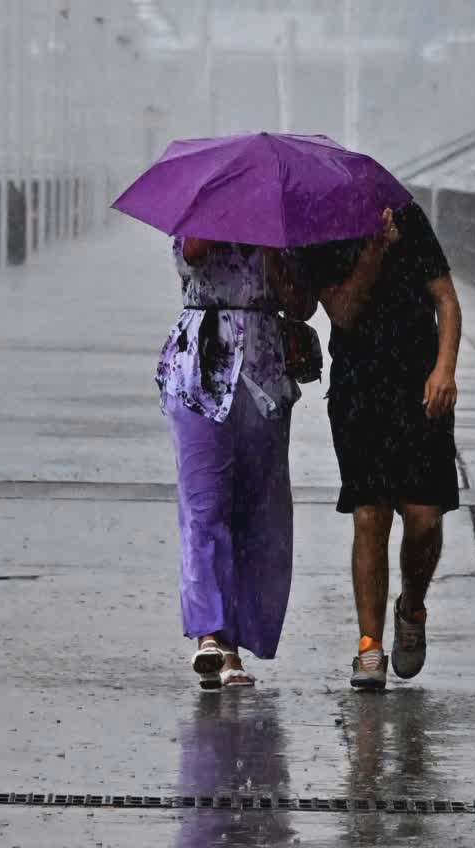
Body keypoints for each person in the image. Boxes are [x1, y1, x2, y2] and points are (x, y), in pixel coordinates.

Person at [296, 203, 463, 691]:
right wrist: (372, 248)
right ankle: (370, 646)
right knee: (370, 515)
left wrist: (445, 368)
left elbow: (446, 299)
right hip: (359, 390)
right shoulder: (322, 232)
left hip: (420, 387)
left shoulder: (409, 219)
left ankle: (412, 605)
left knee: (423, 518)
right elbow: (344, 312)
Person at [157, 236, 315, 689]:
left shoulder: (281, 229)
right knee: (205, 505)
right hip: (202, 369)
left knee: (255, 511)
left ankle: (233, 648)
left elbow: (302, 304)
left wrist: (273, 254)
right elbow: (191, 256)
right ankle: (210, 634)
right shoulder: (204, 210)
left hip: (264, 375)